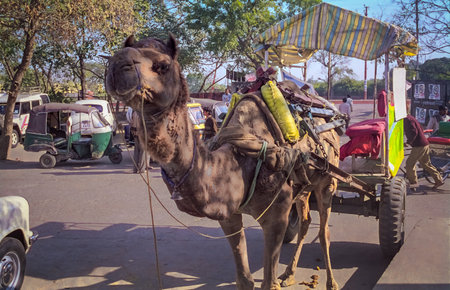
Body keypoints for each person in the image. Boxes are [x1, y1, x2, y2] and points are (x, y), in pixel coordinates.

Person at [404, 114, 444, 189]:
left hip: (419, 145)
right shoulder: (410, 118)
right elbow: (420, 129)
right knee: (426, 164)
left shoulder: (407, 120)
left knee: (409, 164)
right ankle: (439, 180)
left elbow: (414, 132)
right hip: (424, 143)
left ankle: (413, 183)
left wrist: (408, 142)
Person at [130, 108, 148, 173]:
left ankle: (135, 168)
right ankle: (141, 169)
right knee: (143, 151)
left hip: (135, 133)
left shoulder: (134, 112)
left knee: (136, 151)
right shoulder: (142, 114)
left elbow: (131, 123)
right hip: (141, 134)